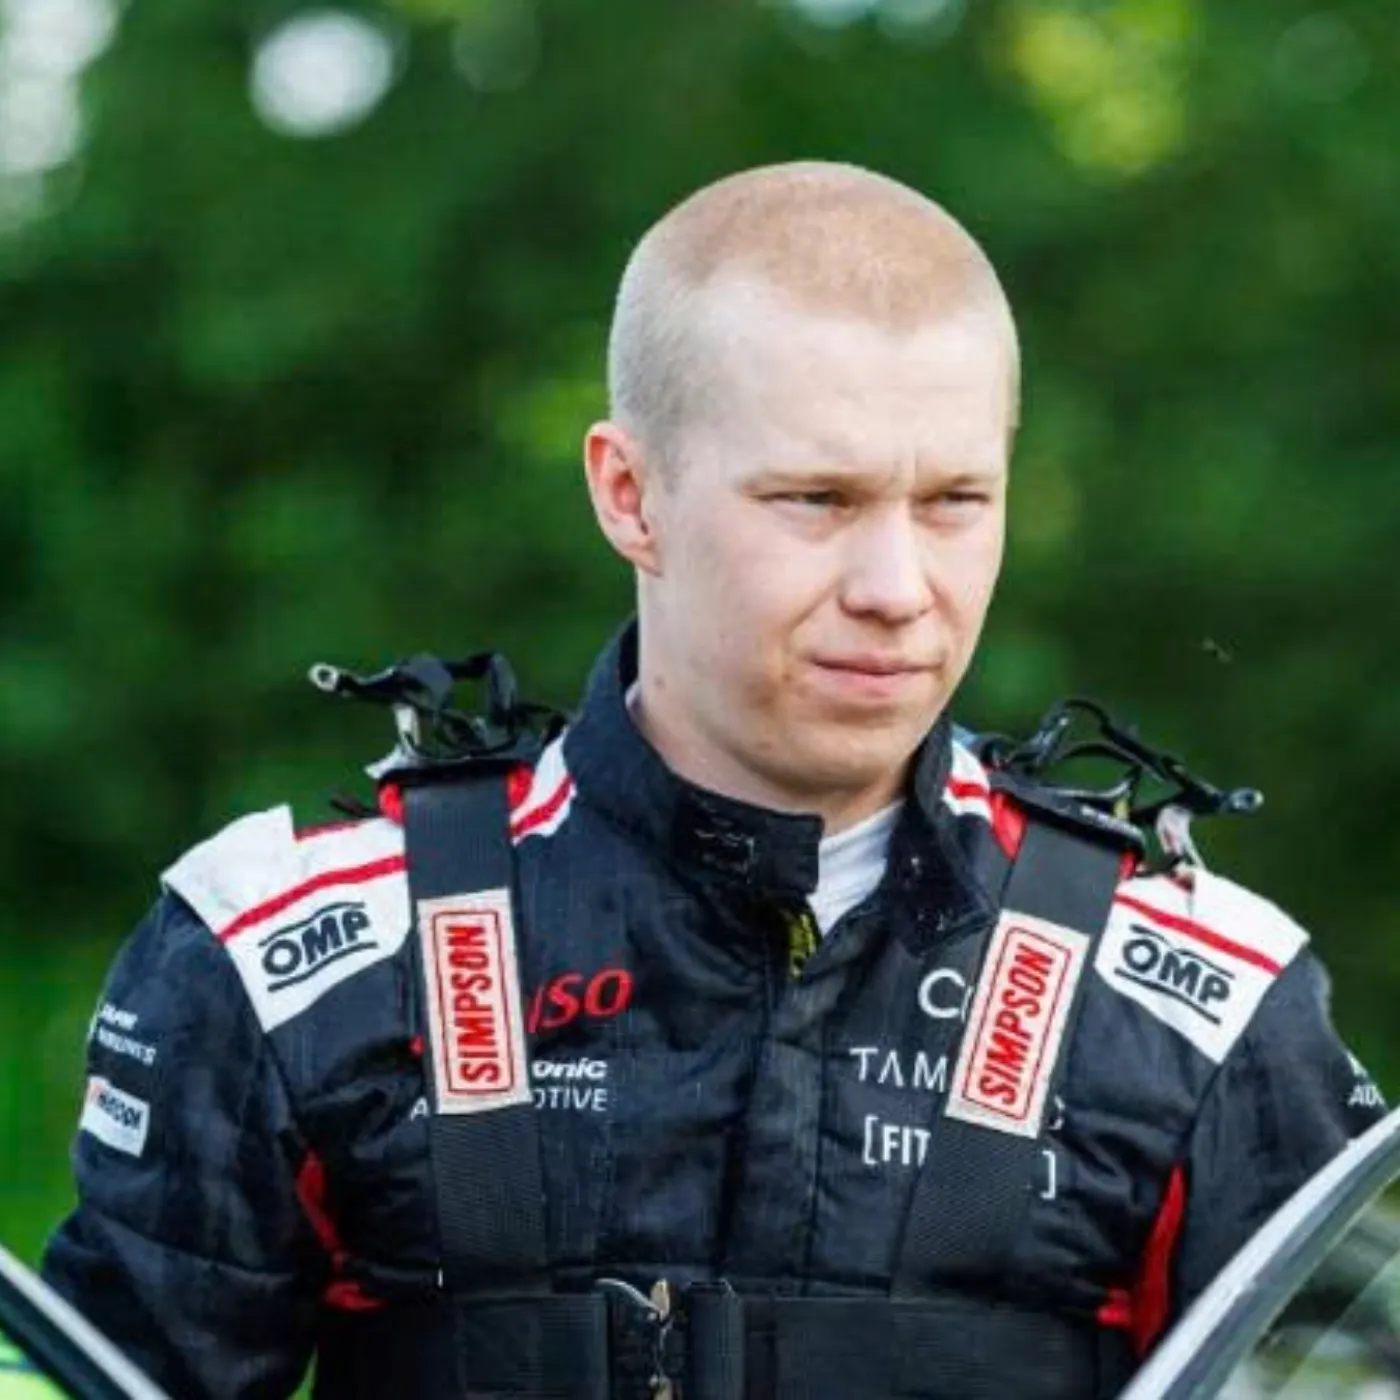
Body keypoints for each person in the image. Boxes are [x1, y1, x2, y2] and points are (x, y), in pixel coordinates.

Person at [42, 162, 1383, 1400]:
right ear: (630, 494)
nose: (897, 587)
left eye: (954, 502)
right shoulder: (287, 955)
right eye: (817, 500)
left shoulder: (1203, 1004)